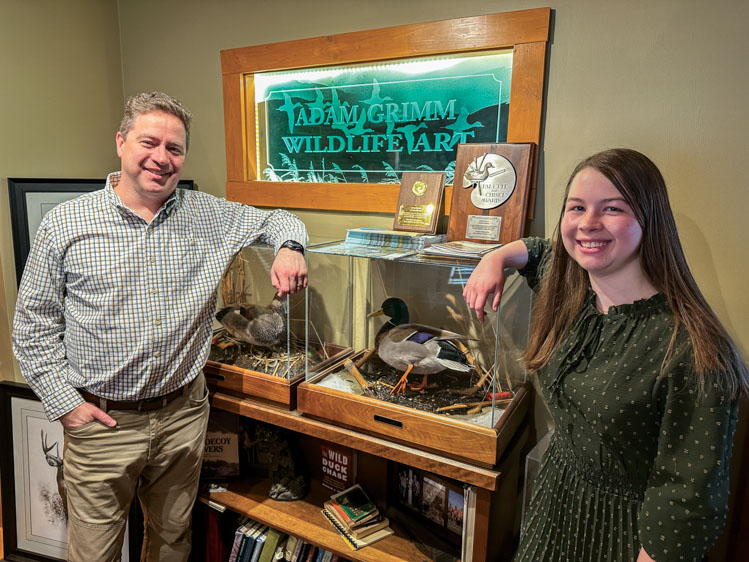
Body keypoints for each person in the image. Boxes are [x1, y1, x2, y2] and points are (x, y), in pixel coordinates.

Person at [12, 92, 308, 561]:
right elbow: (32, 328)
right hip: (102, 423)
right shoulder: (65, 224)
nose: (161, 158)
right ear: (121, 142)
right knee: (94, 553)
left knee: (172, 543)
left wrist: (290, 247)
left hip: (182, 417)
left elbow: (279, 218)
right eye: (149, 143)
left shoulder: (209, 215)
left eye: (174, 148)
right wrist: (66, 405)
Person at [463, 148, 747, 562]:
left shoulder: (693, 349)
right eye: (577, 207)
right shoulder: (572, 289)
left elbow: (688, 499)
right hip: (555, 503)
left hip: (622, 533)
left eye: (612, 208)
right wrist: (495, 258)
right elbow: (538, 250)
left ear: (650, 219)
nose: (588, 223)